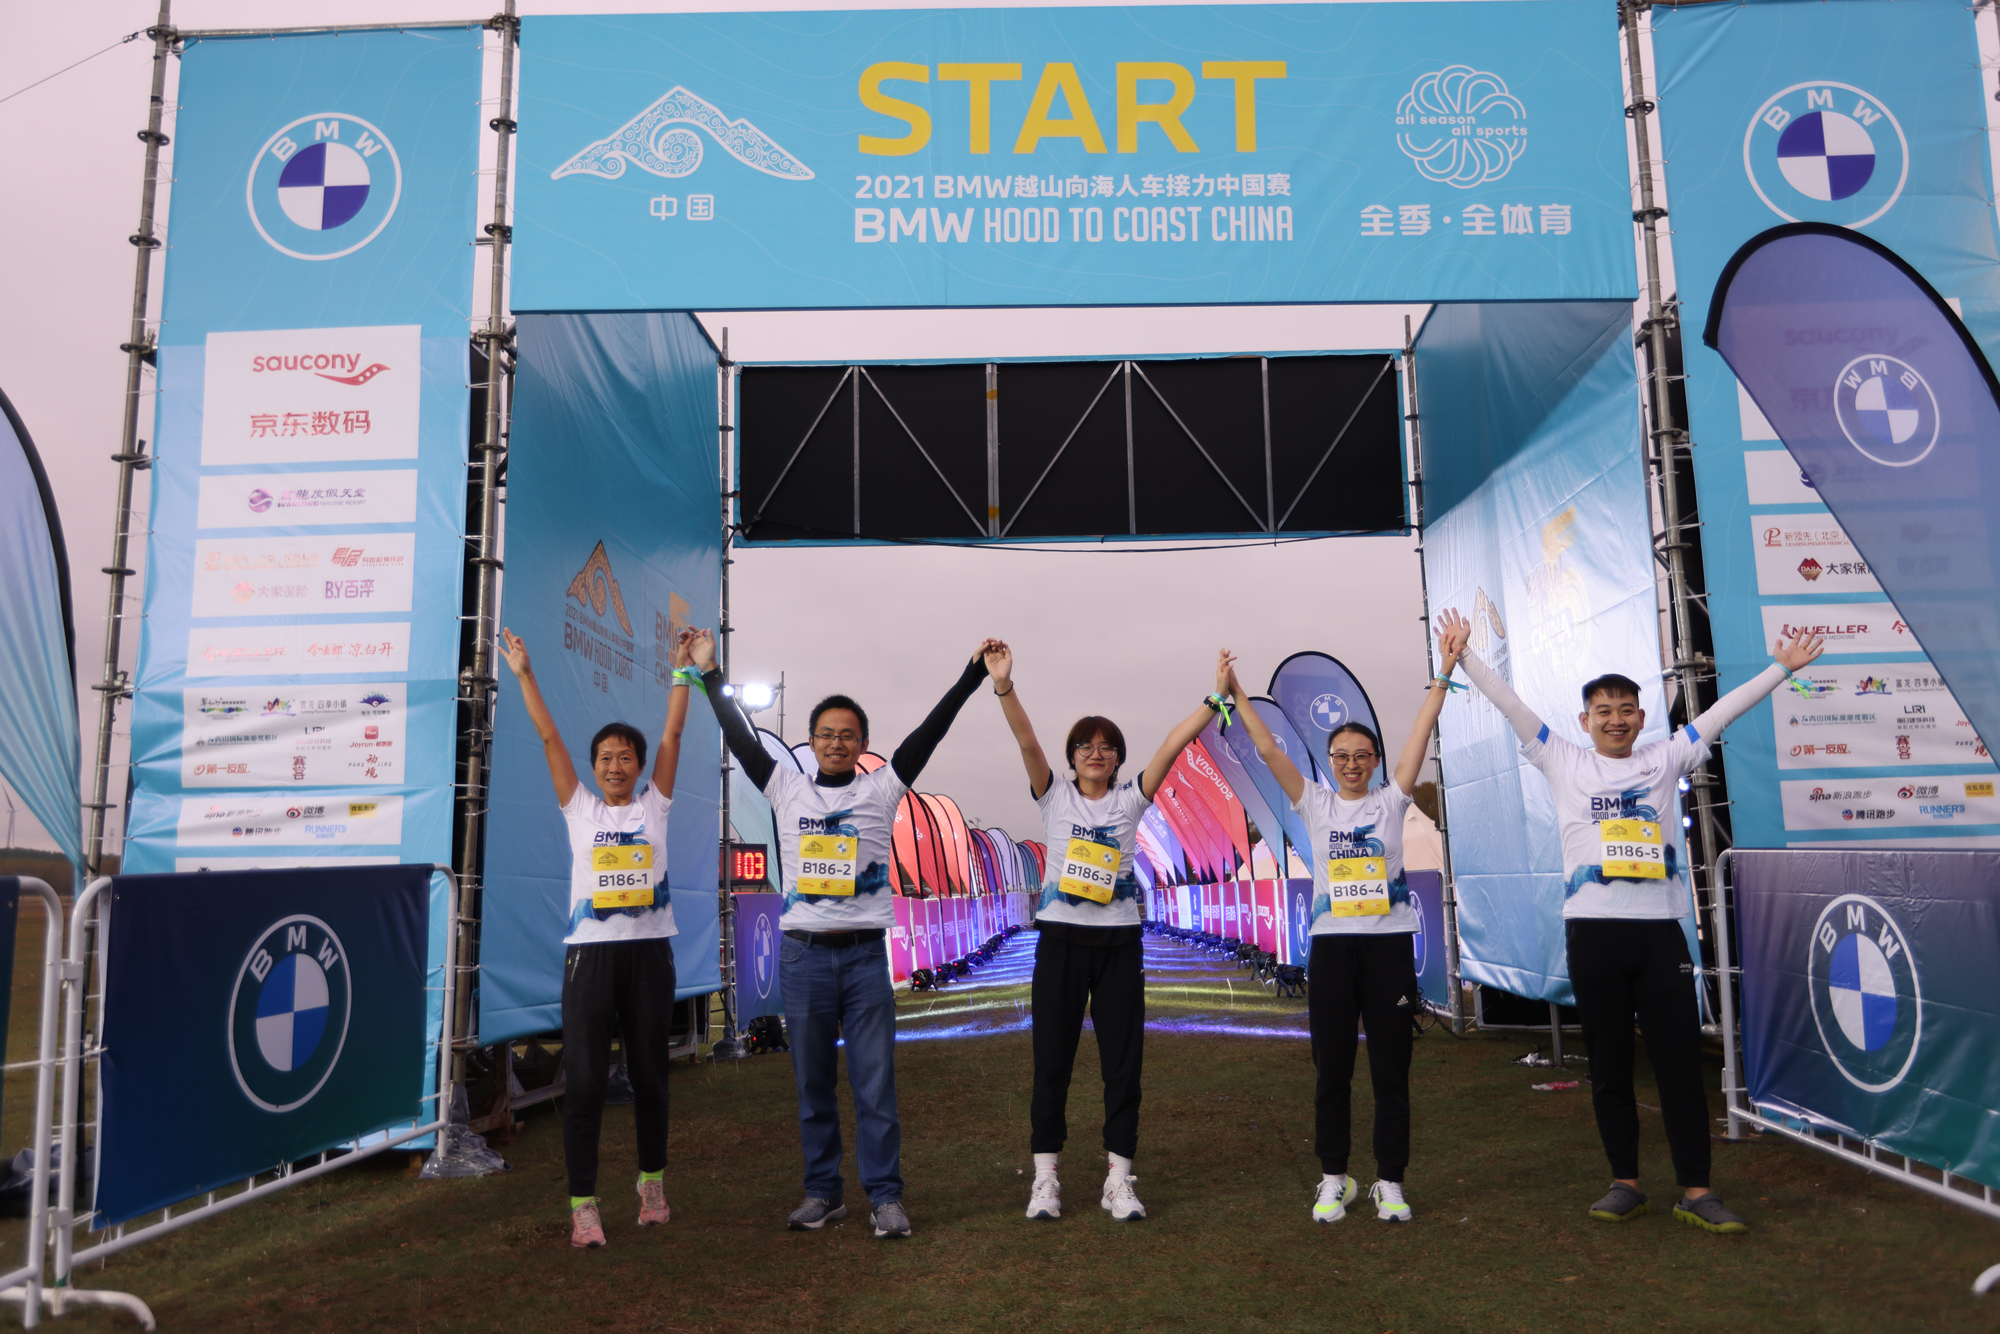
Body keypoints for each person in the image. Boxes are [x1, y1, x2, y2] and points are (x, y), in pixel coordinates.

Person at [1439, 606, 1824, 1234]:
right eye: (1603, 711)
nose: (1615, 720)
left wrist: (1781, 669)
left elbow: (1721, 713)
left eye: (1626, 710)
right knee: (1610, 1063)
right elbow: (1511, 706)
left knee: (1678, 1063)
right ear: (1585, 721)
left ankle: (1697, 1190)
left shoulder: (1665, 758)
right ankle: (1626, 1182)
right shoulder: (1563, 759)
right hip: (1593, 935)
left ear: (1641, 718)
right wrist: (1465, 658)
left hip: (1659, 934)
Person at [689, 628, 990, 1239]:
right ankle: (823, 1193)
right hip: (803, 959)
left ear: (863, 745)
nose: (835, 742)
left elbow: (930, 732)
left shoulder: (883, 787)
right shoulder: (784, 786)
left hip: (863, 961)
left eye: (847, 734)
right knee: (813, 1086)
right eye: (825, 733)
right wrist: (711, 673)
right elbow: (740, 735)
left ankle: (886, 1198)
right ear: (811, 741)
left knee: (875, 1086)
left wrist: (973, 675)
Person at [983, 640, 1236, 1224]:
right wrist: (1004, 685)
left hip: (1119, 946)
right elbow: (1026, 740)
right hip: (1061, 944)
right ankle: (1046, 1178)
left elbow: (1173, 744)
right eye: (1085, 746)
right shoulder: (1053, 796)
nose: (1095, 754)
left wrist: (1214, 697)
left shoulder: (1131, 800)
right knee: (1052, 1061)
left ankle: (1118, 1180)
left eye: (1106, 747)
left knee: (1123, 1065)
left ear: (1118, 758)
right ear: (1072, 757)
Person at [1223, 638, 1459, 1225]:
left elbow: (1420, 733)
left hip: (1389, 953)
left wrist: (1445, 672)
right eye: (1342, 756)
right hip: (1332, 950)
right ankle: (1335, 1179)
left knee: (1390, 1072)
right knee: (1332, 1070)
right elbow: (1266, 747)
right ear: (1330, 761)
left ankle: (1390, 1182)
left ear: (1375, 761)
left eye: (1361, 755)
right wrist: (1235, 693)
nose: (1352, 763)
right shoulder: (1315, 803)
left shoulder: (1393, 801)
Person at [498, 625, 694, 1250]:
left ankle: (652, 1186)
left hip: (650, 955)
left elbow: (673, 734)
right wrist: (525, 674)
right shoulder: (579, 808)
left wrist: (681, 671)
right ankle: (583, 1206)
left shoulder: (654, 805)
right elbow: (549, 737)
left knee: (650, 1078)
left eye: (625, 757)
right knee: (583, 1082)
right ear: (594, 767)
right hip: (590, 959)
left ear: (639, 766)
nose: (615, 765)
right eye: (606, 758)